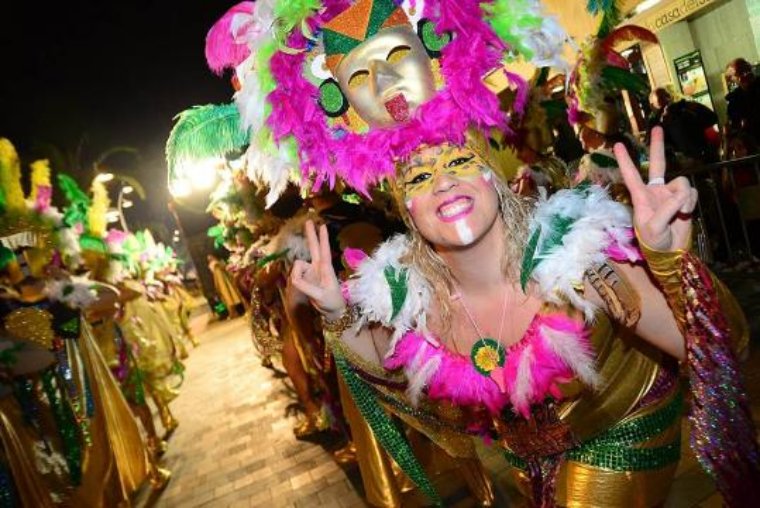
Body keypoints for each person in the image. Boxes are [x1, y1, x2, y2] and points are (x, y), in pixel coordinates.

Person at [194, 1, 759, 505]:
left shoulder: (573, 253)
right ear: (406, 211)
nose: (442, 183)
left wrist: (668, 263)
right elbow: (387, 367)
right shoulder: (409, 292)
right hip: (523, 460)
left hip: (620, 422)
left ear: (496, 180)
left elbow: (717, 344)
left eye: (461, 164)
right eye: (419, 179)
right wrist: (333, 311)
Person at [648, 87, 719, 164]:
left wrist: (691, 107)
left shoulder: (683, 110)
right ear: (652, 106)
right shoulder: (654, 123)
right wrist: (663, 122)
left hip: (703, 158)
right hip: (680, 165)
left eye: (667, 96)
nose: (666, 100)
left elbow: (712, 118)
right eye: (661, 99)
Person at [725, 58, 760, 145]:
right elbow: (735, 125)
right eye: (739, 73)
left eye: (747, 70)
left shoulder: (735, 99)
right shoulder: (735, 99)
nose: (745, 74)